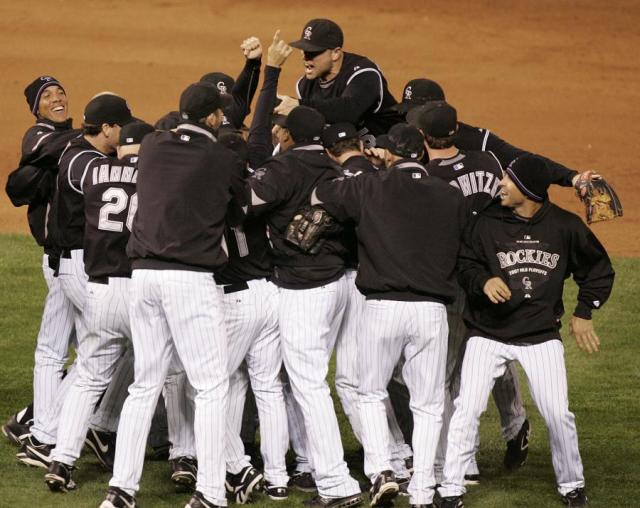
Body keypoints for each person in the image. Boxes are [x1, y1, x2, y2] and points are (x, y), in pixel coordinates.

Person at [438, 155, 614, 508]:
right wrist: (483, 280)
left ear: (528, 191)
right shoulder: (485, 223)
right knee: (467, 408)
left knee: (557, 413)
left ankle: (572, 485)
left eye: (508, 179)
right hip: (487, 333)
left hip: (539, 335)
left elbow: (598, 270)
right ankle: (450, 488)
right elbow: (465, 263)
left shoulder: (565, 227)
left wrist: (584, 311)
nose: (499, 183)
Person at [100, 82, 243, 508]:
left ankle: (121, 489)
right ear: (215, 118)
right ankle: (212, 493)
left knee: (145, 385)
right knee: (212, 386)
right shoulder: (222, 157)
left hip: (142, 278)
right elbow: (237, 211)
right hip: (189, 281)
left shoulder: (153, 146)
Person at [311, 123, 467, 507]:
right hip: (432, 311)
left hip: (381, 308)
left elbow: (322, 194)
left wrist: (369, 167)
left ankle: (381, 469)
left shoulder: (369, 186)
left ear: (388, 154)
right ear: (424, 154)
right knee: (429, 404)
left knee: (370, 392)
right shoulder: (451, 196)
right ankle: (424, 490)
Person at [247, 105, 363, 508]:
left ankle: (335, 482)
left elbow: (244, 206)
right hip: (339, 285)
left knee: (308, 384)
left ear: (288, 136)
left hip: (304, 289)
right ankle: (317, 464)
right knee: (315, 381)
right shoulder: (335, 169)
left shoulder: (284, 169)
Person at [17, 93, 136, 470]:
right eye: (122, 126)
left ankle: (51, 432)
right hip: (82, 268)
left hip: (74, 265)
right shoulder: (84, 162)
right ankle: (56, 432)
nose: (126, 132)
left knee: (95, 349)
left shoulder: (81, 154)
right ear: (106, 129)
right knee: (115, 345)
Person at [416, 102, 530, 483]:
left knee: (449, 373)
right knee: (494, 354)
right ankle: (515, 424)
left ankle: (464, 462)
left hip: (455, 281)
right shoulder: (487, 162)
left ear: (423, 137)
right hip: (497, 272)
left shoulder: (428, 177)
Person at [44, 121, 154, 492]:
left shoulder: (95, 172)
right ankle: (173, 459)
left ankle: (61, 460)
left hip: (100, 289)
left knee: (89, 378)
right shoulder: (156, 178)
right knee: (156, 378)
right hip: (140, 291)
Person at [321, 122, 414, 484]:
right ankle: (399, 454)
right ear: (362, 144)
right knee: (367, 377)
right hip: (378, 278)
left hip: (343, 280)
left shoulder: (332, 180)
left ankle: (390, 461)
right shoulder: (382, 174)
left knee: (351, 380)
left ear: (330, 150)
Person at [4, 76, 78, 447]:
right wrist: (92, 137)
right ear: (37, 108)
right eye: (47, 96)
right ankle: (40, 426)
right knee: (80, 349)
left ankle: (33, 417)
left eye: (60, 92)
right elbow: (50, 151)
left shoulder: (73, 138)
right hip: (60, 261)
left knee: (93, 347)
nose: (56, 98)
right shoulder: (38, 135)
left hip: (77, 260)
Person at [395, 77, 598, 189]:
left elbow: (521, 160)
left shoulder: (472, 138)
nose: (407, 120)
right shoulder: (398, 132)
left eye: (413, 114)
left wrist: (572, 178)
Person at [276, 18, 402, 139]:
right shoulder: (305, 86)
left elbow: (349, 110)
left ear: (335, 53)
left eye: (313, 52)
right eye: (304, 50)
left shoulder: (364, 73)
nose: (305, 57)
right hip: (351, 154)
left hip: (396, 151)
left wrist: (300, 105)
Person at [155, 36, 263, 131]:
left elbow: (243, 94)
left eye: (223, 107)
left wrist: (253, 63)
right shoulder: (175, 121)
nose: (218, 114)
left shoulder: (232, 120)